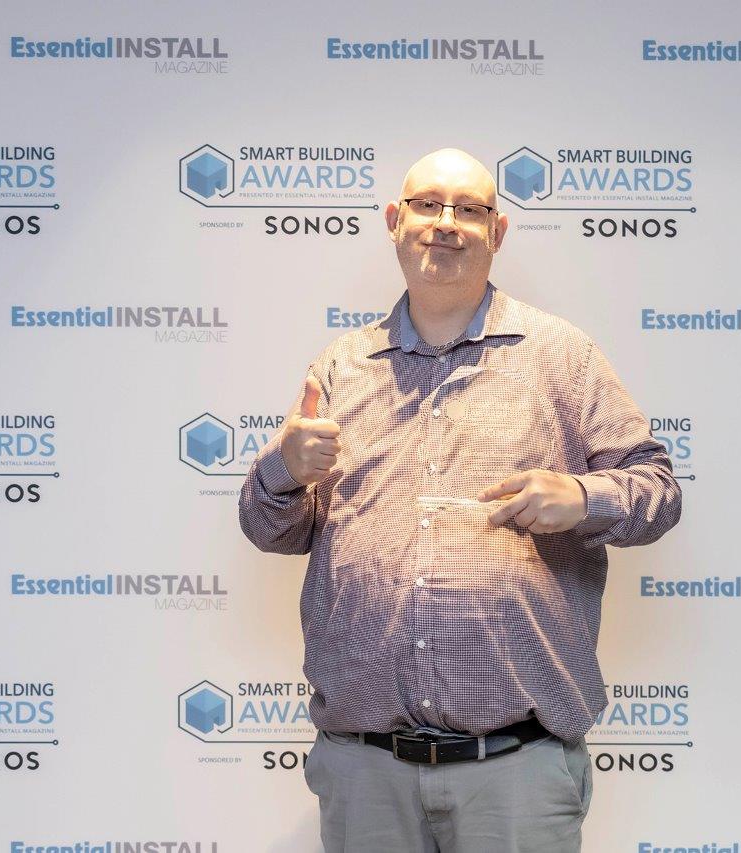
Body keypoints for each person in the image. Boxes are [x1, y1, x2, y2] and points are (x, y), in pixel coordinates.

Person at [238, 148, 682, 852]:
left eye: (468, 209)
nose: (445, 223)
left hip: (516, 773)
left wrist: (582, 496)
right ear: (395, 220)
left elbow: (657, 490)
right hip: (366, 770)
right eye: (427, 204)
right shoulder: (341, 367)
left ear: (496, 232)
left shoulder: (561, 356)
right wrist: (283, 472)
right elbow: (272, 530)